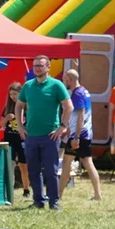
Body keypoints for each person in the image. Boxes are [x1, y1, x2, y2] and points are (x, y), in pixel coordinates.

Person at [15, 55, 72, 210]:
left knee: (50, 170)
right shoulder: (28, 86)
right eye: (35, 66)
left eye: (40, 65)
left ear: (48, 67)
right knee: (33, 170)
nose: (37, 68)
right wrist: (20, 126)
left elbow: (69, 106)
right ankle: (38, 201)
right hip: (31, 135)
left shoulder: (56, 85)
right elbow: (19, 105)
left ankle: (54, 202)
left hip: (50, 136)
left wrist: (62, 126)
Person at [59, 69, 102, 201]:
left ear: (70, 80)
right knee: (88, 163)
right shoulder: (84, 91)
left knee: (66, 162)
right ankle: (97, 195)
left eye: (65, 79)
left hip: (79, 134)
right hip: (85, 134)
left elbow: (80, 116)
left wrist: (76, 136)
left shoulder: (77, 94)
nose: (63, 82)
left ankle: (58, 195)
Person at [1, 83, 30, 198]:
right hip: (10, 139)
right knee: (10, 165)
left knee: (24, 166)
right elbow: (2, 123)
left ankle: (26, 189)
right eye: (11, 94)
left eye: (15, 94)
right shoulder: (7, 107)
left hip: (22, 140)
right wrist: (7, 118)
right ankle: (10, 190)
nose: (13, 96)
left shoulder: (27, 107)